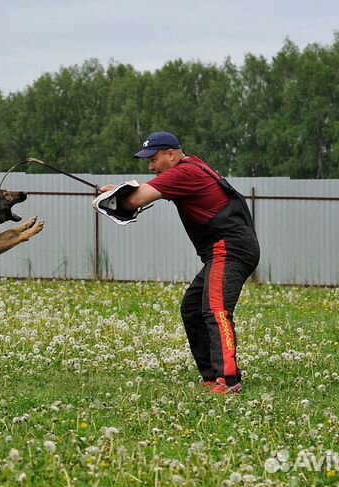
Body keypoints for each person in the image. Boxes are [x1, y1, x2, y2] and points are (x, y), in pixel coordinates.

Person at [99, 131, 260, 394]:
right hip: (227, 247)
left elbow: (136, 199)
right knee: (193, 309)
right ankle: (211, 376)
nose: (151, 167)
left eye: (153, 160)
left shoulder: (184, 172)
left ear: (171, 154)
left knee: (216, 310)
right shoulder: (192, 167)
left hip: (228, 247)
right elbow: (143, 191)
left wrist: (112, 198)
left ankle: (229, 380)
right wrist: (115, 191)